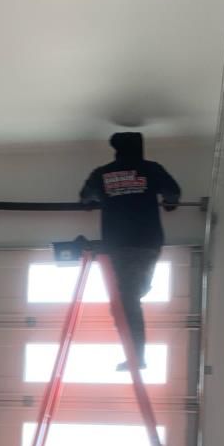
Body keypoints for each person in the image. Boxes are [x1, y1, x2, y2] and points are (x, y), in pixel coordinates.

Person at [78, 132, 182, 370]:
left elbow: (85, 198)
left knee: (126, 300)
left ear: (116, 150)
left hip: (118, 244)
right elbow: (173, 192)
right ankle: (137, 355)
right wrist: (169, 205)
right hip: (147, 242)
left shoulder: (102, 173)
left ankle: (137, 356)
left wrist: (99, 199)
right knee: (129, 297)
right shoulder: (151, 169)